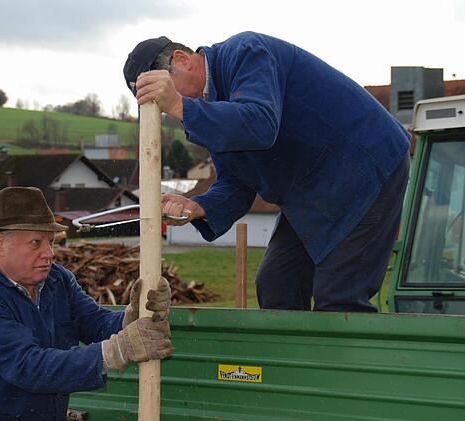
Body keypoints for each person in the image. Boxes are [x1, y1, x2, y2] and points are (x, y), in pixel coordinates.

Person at [124, 32, 410, 312]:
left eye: (165, 92)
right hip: (314, 189)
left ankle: (346, 358)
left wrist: (177, 104)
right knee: (277, 284)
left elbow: (259, 124)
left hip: (367, 167)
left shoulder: (246, 52)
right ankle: (292, 360)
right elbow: (236, 182)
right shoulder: (206, 109)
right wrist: (199, 205)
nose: (168, 109)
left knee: (340, 298)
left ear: (182, 59)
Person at [0, 187, 173, 420]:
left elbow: (94, 323)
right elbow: (29, 367)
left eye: (51, 242)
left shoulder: (57, 279)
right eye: (36, 243)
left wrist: (130, 317)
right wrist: (118, 350)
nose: (49, 253)